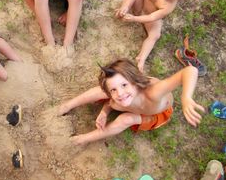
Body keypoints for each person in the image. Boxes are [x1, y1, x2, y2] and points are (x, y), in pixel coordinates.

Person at [58, 59, 205, 145]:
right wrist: (104, 112)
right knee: (99, 91)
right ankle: (67, 105)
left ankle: (83, 139)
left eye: (124, 85)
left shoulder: (153, 92)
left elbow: (190, 71)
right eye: (113, 90)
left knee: (126, 119)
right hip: (134, 102)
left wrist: (186, 98)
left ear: (134, 82)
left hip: (156, 114)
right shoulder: (117, 100)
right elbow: (110, 102)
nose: (120, 93)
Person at [115, 0, 198, 72]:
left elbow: (151, 17)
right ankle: (122, 12)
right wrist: (125, 6)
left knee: (155, 35)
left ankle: (141, 58)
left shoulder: (169, 7)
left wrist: (134, 18)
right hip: (139, 7)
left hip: (149, 17)